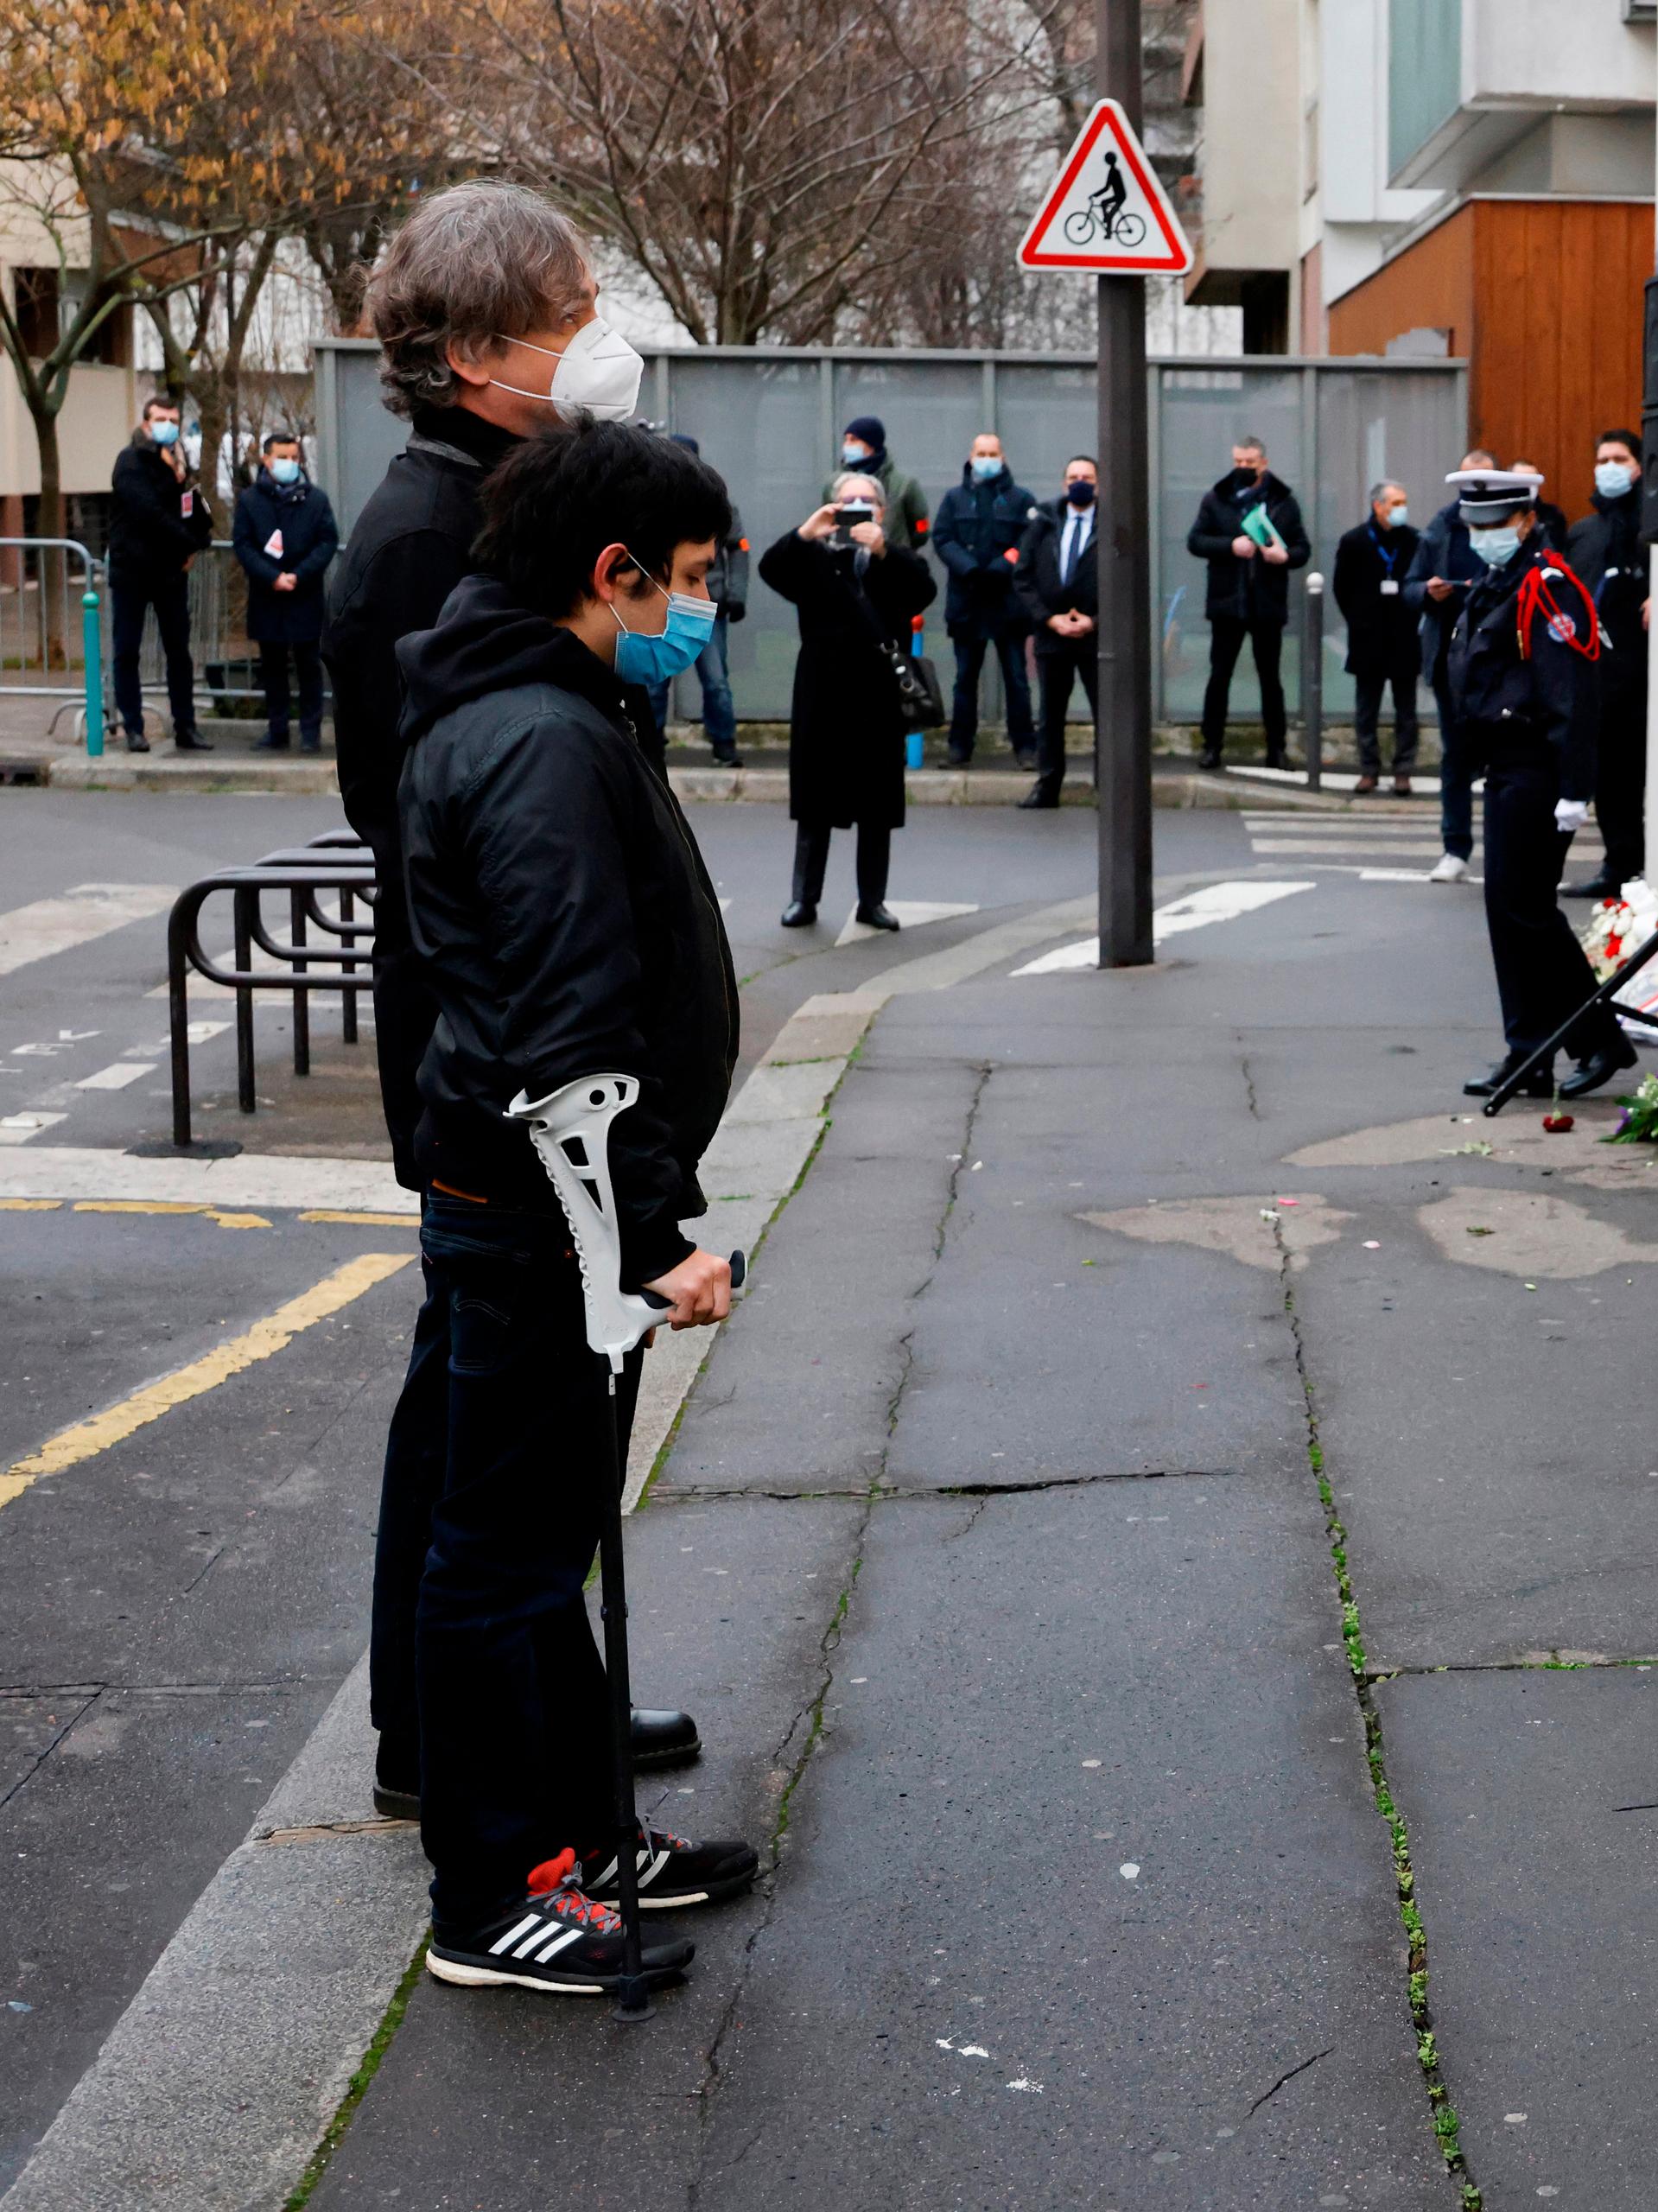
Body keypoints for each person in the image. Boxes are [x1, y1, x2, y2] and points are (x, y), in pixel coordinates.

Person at [318, 178, 703, 1826]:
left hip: (536, 1078)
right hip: (512, 1087)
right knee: (487, 1422)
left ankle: (543, 1701)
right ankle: (456, 1738)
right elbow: (471, 840)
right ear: (480, 353)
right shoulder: (429, 535)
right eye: (574, 310)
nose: (601, 337)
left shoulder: (497, 492)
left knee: (528, 1426)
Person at [388, 417, 758, 1995]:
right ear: (607, 575)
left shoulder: (542, 706)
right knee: (503, 1556)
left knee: (534, 1551)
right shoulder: (541, 737)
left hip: (534, 1202)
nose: (697, 612)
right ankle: (487, 1894)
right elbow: (572, 1028)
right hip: (545, 1212)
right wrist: (657, 1238)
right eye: (682, 582)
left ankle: (573, 1827)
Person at [1442, 467, 1636, 1102]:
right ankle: (1530, 1050)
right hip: (1506, 765)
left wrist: (1576, 787)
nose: (1483, 537)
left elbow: (1571, 693)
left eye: (1495, 525)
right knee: (1511, 912)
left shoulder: (1548, 587)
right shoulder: (1501, 582)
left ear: (1526, 520)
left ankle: (1595, 1038)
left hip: (1537, 767)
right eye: (1474, 526)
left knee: (1527, 912)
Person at [760, 473, 932, 929]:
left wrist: (883, 551)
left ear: (881, 510)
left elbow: (923, 591)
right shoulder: (812, 556)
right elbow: (770, 570)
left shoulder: (893, 558)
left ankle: (872, 902)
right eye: (847, 499)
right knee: (815, 803)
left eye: (866, 500)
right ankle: (804, 899)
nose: (857, 505)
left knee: (877, 806)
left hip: (878, 696)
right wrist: (803, 533)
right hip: (823, 692)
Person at [1402, 446, 1497, 880]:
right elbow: (1410, 586)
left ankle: (1504, 849)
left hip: (1500, 660)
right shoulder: (1440, 527)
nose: (1474, 489)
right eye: (1466, 480)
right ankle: (1455, 848)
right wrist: (1427, 591)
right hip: (1450, 659)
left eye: (1483, 480)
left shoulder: (1514, 524)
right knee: (1455, 757)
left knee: (1504, 759)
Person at [1185, 434, 1307, 770]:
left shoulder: (1284, 501)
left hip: (1267, 604)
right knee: (1219, 675)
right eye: (1237, 462)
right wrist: (1230, 546)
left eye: (1249, 463)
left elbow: (1302, 549)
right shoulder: (1217, 498)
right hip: (1227, 603)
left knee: (1270, 678)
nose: (1242, 468)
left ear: (1263, 464)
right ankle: (1211, 746)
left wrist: (1284, 556)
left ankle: (1277, 749)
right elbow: (1195, 541)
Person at [1564, 429, 1650, 894]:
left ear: (1639, 466)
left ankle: (1643, 861)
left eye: (1619, 458)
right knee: (1611, 779)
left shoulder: (1653, 526)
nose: (1610, 467)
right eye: (1603, 459)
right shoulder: (1584, 531)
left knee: (1638, 775)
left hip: (1645, 675)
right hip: (1599, 675)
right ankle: (1619, 864)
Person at [108, 392, 212, 751]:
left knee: (179, 652)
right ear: (146, 423)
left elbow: (185, 509)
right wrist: (188, 541)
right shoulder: (130, 461)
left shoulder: (178, 461)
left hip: (169, 573)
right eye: (161, 420)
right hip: (132, 570)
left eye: (173, 420)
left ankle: (186, 726)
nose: (168, 426)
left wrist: (199, 536)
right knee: (127, 651)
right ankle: (133, 727)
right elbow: (148, 512)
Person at [932, 432, 1036, 768]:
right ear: (971, 456)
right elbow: (943, 538)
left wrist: (1003, 564)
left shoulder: (1021, 500)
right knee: (965, 680)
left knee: (1017, 679)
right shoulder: (954, 499)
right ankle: (960, 747)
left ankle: (1025, 748)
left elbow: (1030, 539)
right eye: (982, 453)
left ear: (1002, 458)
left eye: (993, 453)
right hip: (968, 602)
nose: (987, 459)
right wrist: (970, 567)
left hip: (1009, 604)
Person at [232, 430, 338, 753]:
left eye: (294, 458)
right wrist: (272, 576)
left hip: (304, 595)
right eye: (282, 457)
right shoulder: (250, 501)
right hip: (268, 597)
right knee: (272, 668)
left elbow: (327, 541)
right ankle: (277, 731)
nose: (289, 463)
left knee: (309, 667)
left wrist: (298, 575)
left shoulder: (316, 499)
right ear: (266, 459)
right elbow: (244, 544)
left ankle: (310, 733)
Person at [1012, 454, 1102, 810]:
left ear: (1099, 483)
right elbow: (1023, 576)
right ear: (1064, 483)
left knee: (1105, 715)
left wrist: (1095, 620)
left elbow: (1127, 578)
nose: (1080, 482)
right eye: (1074, 476)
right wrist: (1049, 619)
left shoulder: (1111, 521)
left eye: (1088, 476)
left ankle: (1108, 789)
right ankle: (1047, 786)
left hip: (1096, 637)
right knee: (1050, 716)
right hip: (1052, 634)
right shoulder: (1044, 520)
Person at [662, 432, 746, 766]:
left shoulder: (716, 503)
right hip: (661, 601)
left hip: (706, 604)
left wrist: (735, 594)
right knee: (654, 682)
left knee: (716, 681)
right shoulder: (652, 500)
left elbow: (738, 549)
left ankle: (723, 742)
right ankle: (650, 744)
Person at [1332, 480, 1420, 794]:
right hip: (1368, 637)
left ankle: (1403, 769)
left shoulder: (1414, 541)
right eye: (1395, 503)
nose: (1402, 509)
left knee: (1406, 710)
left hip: (1404, 636)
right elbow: (1341, 588)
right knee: (1366, 708)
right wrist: (1357, 621)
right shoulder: (1355, 541)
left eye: (1404, 502)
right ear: (1378, 506)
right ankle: (1369, 768)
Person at [823, 415, 931, 554]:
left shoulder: (904, 485)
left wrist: (904, 549)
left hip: (891, 562)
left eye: (854, 440)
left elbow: (921, 524)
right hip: (845, 559)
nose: (847, 445)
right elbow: (826, 522)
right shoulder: (834, 484)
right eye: (846, 440)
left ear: (872, 445)